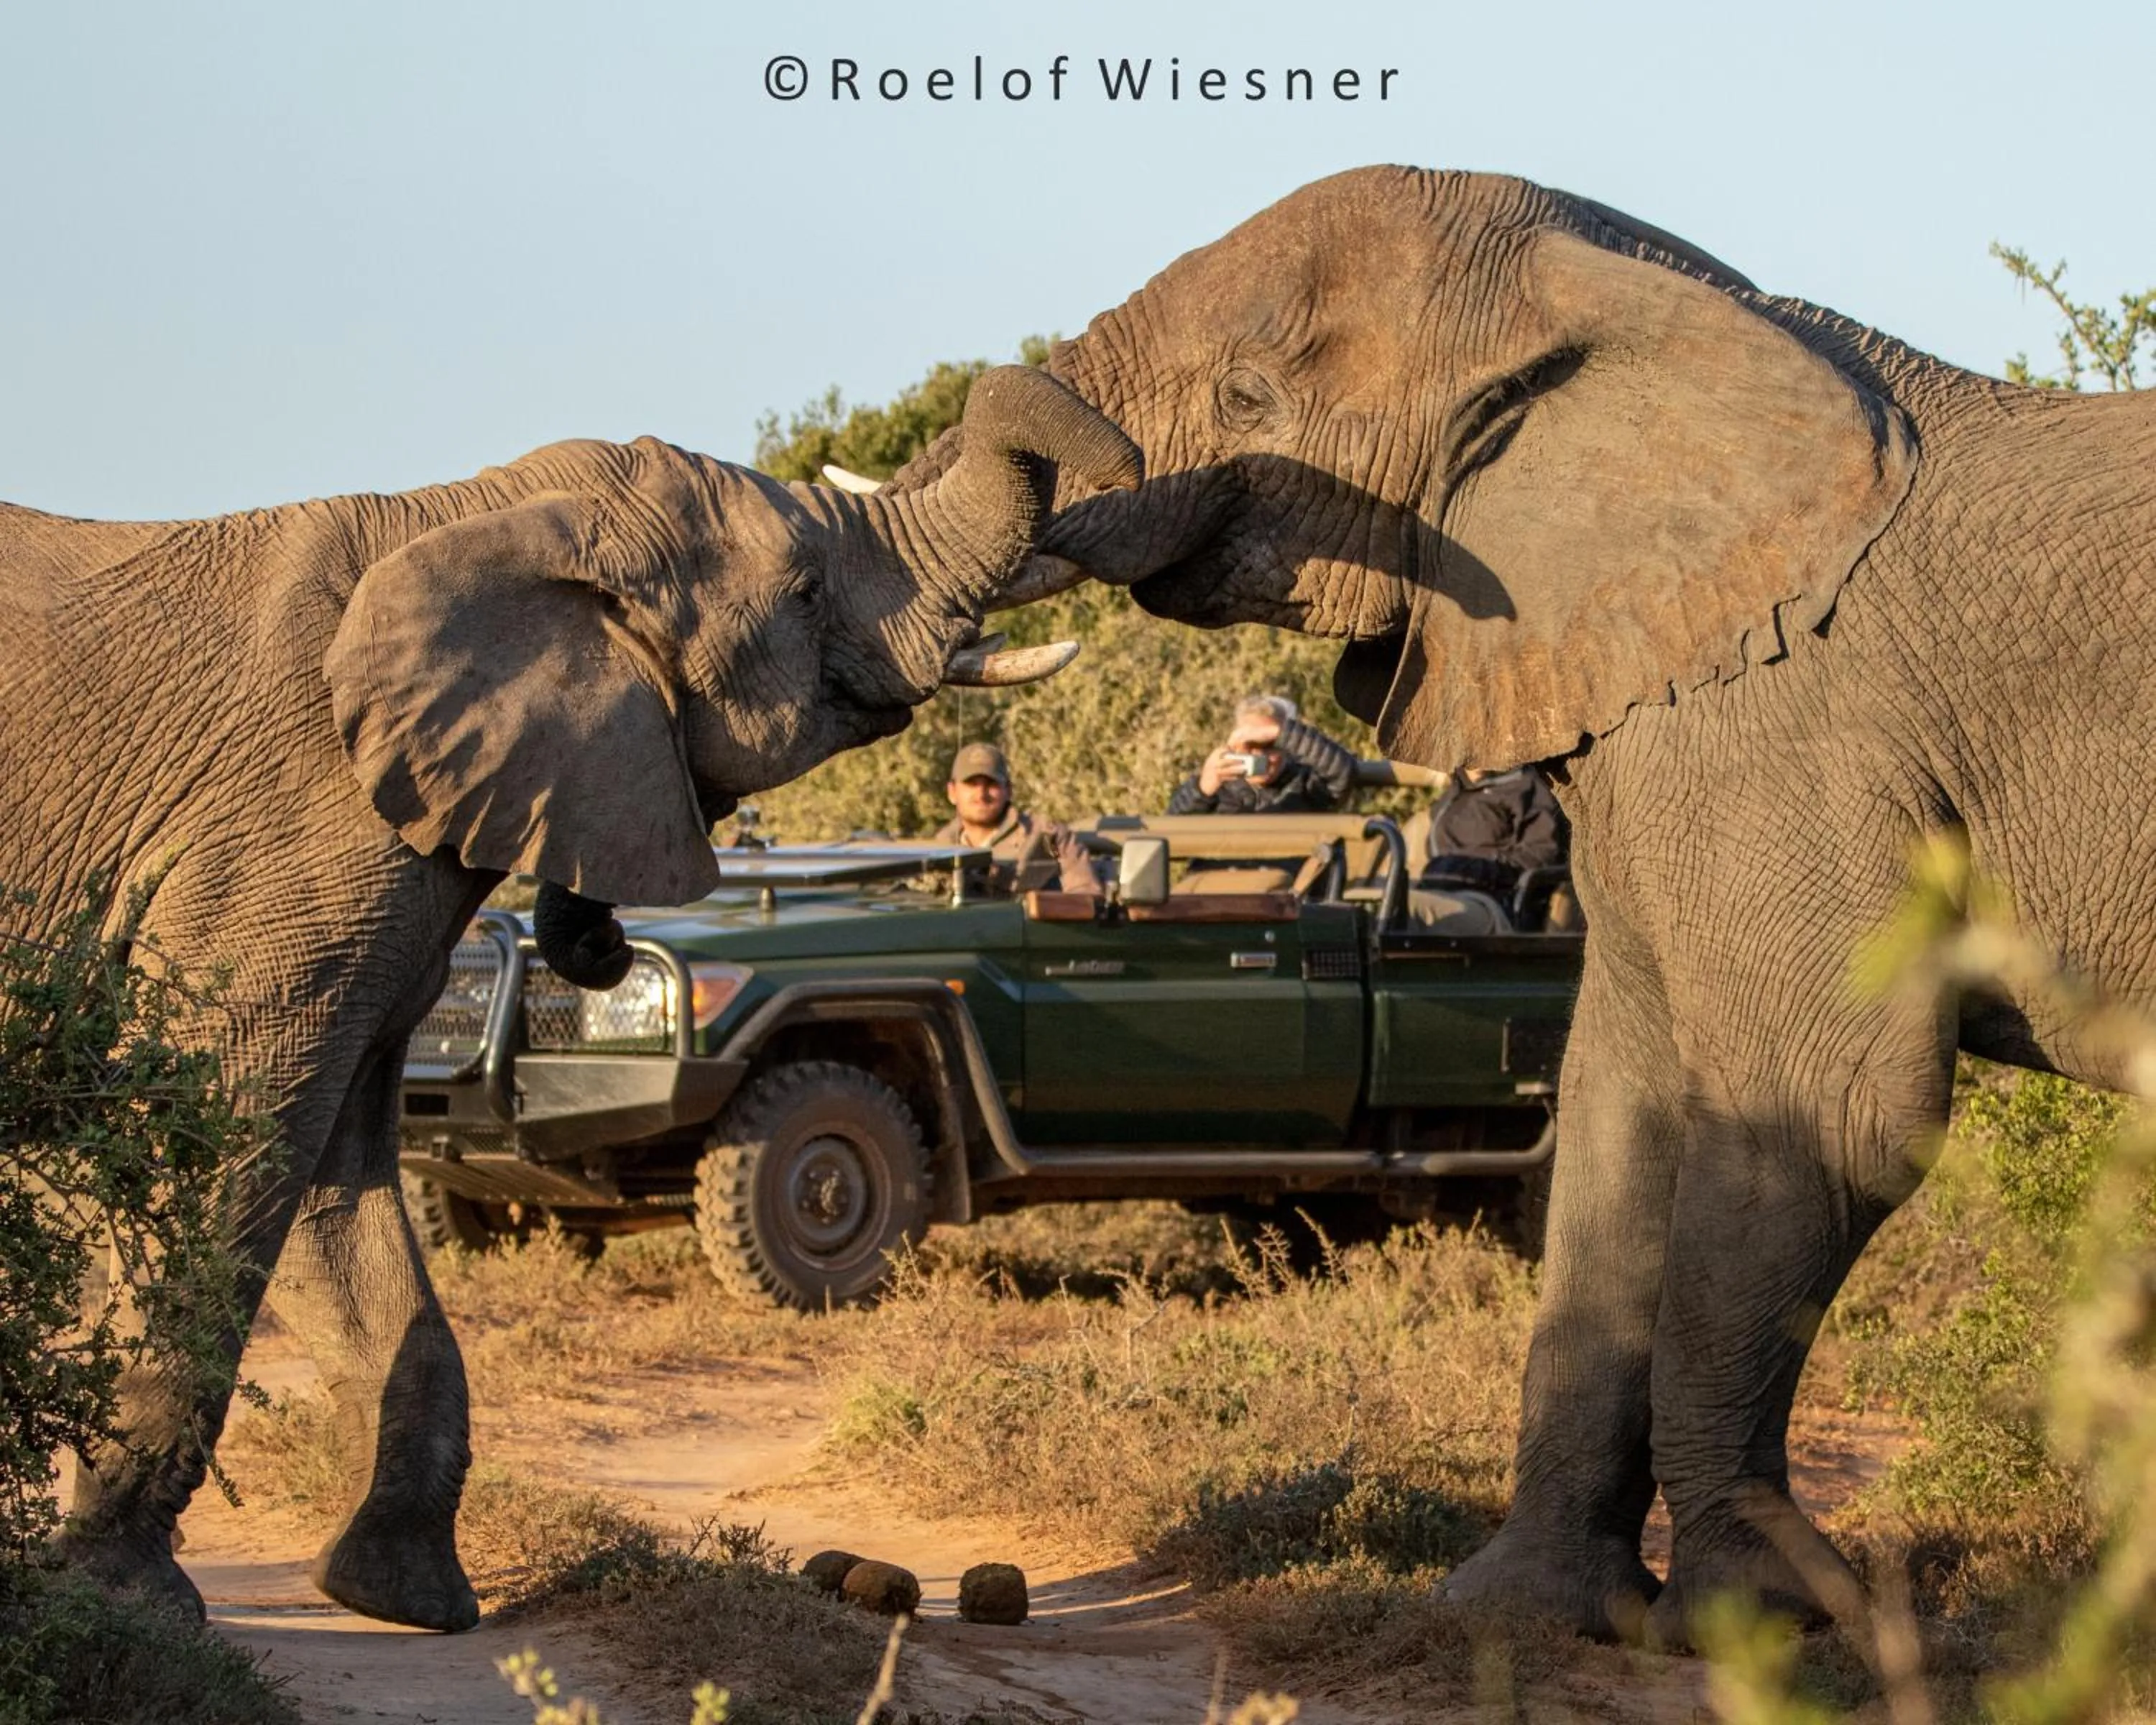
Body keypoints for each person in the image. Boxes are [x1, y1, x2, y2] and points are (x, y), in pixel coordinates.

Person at [1411, 765, 1570, 930]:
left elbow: (1543, 854)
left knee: (1407, 910)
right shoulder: (1454, 794)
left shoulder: (1526, 786)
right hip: (1439, 890)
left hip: (1495, 901)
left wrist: (1475, 869)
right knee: (1391, 902)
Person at [931, 742, 1100, 897]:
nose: (981, 794)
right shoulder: (937, 848)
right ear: (952, 792)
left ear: (1009, 790)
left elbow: (1085, 897)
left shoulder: (1047, 837)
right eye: (971, 784)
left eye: (991, 784)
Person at [1168, 694, 1356, 815]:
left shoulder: (1306, 787)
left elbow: (1341, 772)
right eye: (1250, 745)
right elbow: (1171, 837)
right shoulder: (1218, 788)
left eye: (1268, 745)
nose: (1259, 756)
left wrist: (1279, 733)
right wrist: (1202, 789)